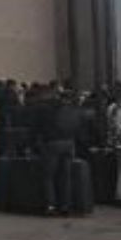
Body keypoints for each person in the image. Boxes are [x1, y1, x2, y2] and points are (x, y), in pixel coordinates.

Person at [37, 88, 82, 217]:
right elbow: (79, 128)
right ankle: (65, 206)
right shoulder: (74, 111)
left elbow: (42, 127)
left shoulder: (49, 110)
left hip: (52, 144)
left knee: (49, 176)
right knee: (65, 176)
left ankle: (51, 206)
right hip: (69, 143)